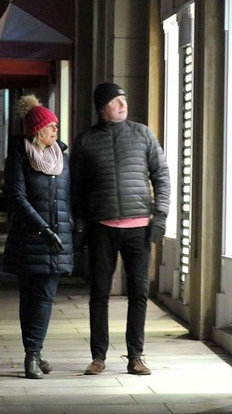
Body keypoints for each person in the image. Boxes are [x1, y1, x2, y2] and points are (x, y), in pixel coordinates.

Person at [70, 82, 171, 376]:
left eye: (124, 99)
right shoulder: (86, 141)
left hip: (139, 226)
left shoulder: (143, 134)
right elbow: (76, 189)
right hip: (101, 226)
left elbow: (162, 176)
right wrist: (79, 227)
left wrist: (160, 216)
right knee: (99, 292)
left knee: (139, 292)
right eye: (116, 101)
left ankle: (136, 356)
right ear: (102, 109)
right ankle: (98, 357)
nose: (123, 104)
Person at [3, 95, 74, 379]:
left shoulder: (63, 160)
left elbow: (70, 199)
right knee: (29, 298)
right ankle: (34, 352)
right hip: (28, 238)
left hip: (58, 239)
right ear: (37, 131)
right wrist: (42, 229)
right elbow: (17, 198)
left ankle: (33, 354)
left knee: (44, 297)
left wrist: (73, 231)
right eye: (50, 126)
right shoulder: (19, 157)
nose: (56, 131)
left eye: (56, 126)